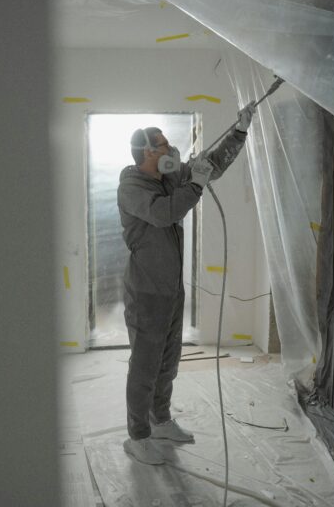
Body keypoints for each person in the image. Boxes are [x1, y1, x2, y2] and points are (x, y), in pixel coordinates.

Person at [116, 103, 257, 465]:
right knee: (145, 365)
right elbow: (165, 213)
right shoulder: (131, 186)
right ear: (148, 153)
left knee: (168, 361)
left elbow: (209, 166)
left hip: (171, 290)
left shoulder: (167, 177)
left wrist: (239, 131)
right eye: (164, 146)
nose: (171, 150)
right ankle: (138, 435)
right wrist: (193, 181)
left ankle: (159, 419)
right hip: (146, 291)